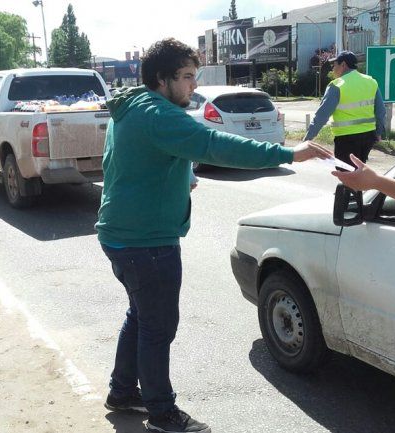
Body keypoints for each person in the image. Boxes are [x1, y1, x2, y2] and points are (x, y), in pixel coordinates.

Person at [96, 38, 323, 433]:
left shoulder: (132, 105)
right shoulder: (161, 115)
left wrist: (184, 176)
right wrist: (288, 154)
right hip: (146, 242)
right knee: (157, 326)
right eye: (185, 78)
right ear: (161, 79)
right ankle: (162, 413)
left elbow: (129, 161)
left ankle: (122, 392)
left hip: (121, 233)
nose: (191, 87)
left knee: (140, 316)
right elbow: (214, 144)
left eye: (194, 77)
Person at [304, 50, 386, 166]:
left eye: (334, 65)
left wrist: (307, 139)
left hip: (346, 138)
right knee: (359, 171)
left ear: (343, 65)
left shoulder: (337, 85)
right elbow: (381, 111)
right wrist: (378, 132)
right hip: (368, 136)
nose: (333, 69)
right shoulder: (371, 82)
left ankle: (351, 185)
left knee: (346, 174)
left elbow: (322, 116)